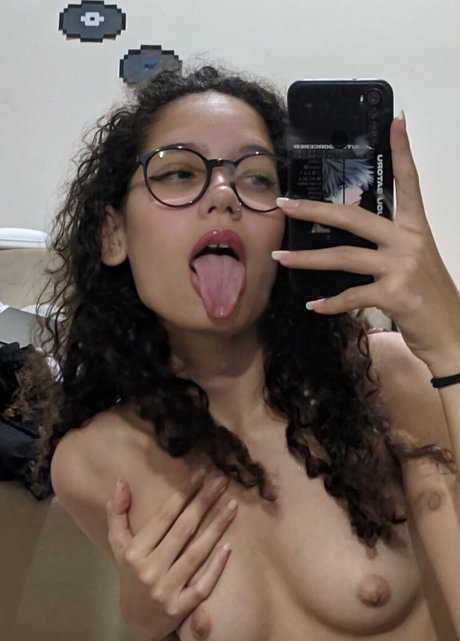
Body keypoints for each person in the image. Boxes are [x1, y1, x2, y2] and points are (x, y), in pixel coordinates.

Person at [28, 65, 460, 641]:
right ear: (113, 235)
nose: (223, 195)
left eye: (257, 178)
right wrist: (145, 622)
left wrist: (451, 342)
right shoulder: (90, 461)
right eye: (179, 172)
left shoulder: (387, 382)